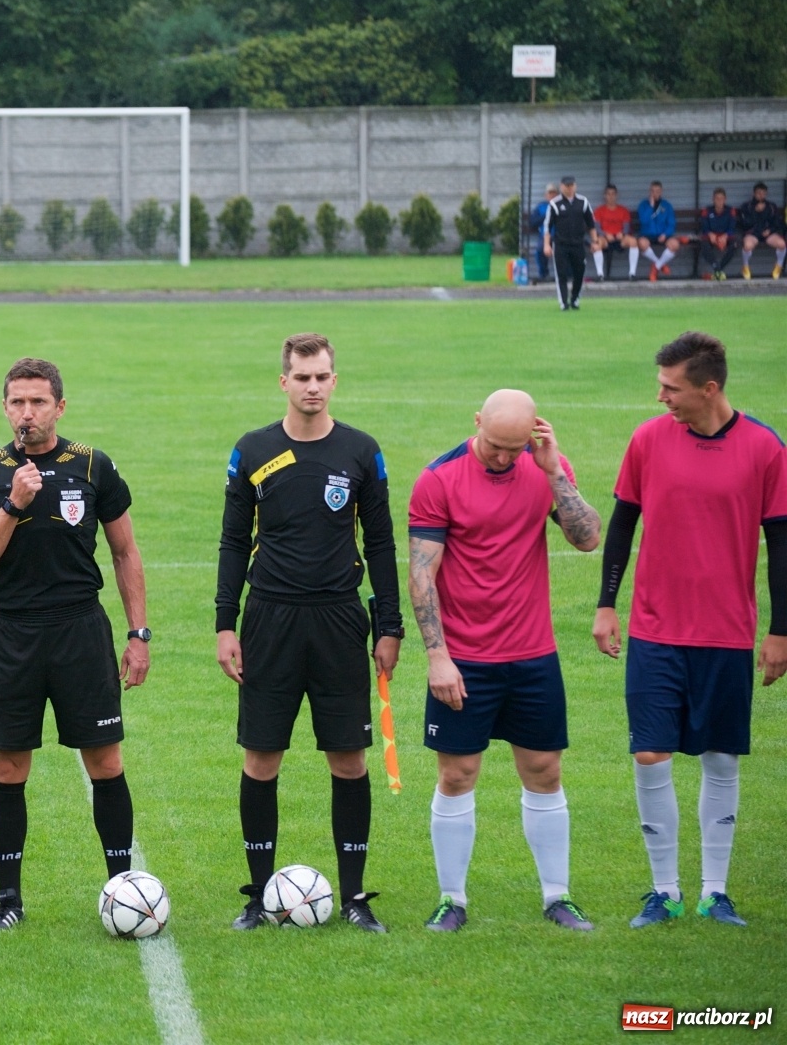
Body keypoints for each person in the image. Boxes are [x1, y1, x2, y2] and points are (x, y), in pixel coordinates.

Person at [593, 332, 787, 930]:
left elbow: (781, 545)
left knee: (720, 758)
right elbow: (623, 524)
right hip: (655, 630)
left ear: (709, 388)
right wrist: (606, 605)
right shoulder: (649, 440)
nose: (661, 398)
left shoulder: (765, 449)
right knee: (651, 753)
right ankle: (664, 891)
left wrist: (781, 631)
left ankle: (714, 891)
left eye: (671, 388)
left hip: (727, 633)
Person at [0, 357, 150, 934]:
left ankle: (123, 886)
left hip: (80, 631)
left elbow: (124, 554)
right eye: (17, 402)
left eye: (38, 402)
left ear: (59, 407)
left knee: (105, 761)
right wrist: (13, 505)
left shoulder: (93, 465)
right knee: (10, 766)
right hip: (12, 633)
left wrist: (138, 634)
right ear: (5, 407)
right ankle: (7, 898)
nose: (27, 413)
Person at [215, 333, 401, 933]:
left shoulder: (361, 453)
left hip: (340, 618)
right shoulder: (253, 451)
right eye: (302, 377)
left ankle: (353, 898)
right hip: (269, 618)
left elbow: (380, 542)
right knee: (261, 758)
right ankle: (257, 898)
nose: (313, 387)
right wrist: (225, 623)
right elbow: (232, 543)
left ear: (334, 380)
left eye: (322, 377)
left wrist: (389, 625)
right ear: (284, 383)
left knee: (348, 760)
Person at [408, 391, 602, 933]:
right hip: (465, 659)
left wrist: (552, 471)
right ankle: (452, 900)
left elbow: (587, 539)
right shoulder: (439, 479)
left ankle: (558, 897)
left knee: (545, 771)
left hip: (533, 654)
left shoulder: (544, 467)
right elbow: (422, 573)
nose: (502, 458)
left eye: (513, 449)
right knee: (457, 774)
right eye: (495, 446)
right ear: (477, 424)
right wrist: (437, 657)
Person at [542, 175, 594, 310]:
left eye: (571, 185)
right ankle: (563, 302)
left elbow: (591, 224)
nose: (569, 188)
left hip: (578, 243)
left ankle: (575, 299)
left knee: (579, 272)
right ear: (561, 186)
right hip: (561, 244)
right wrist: (547, 244)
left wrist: (595, 241)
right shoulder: (555, 203)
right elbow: (547, 226)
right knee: (561, 273)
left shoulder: (583, 202)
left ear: (575, 186)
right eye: (566, 186)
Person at [735, 182, 785, 280]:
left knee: (782, 244)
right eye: (759, 193)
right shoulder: (746, 206)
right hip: (753, 233)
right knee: (748, 245)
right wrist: (756, 211)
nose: (761, 195)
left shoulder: (771, 206)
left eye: (763, 193)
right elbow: (744, 224)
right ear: (754, 194)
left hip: (767, 234)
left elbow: (777, 223)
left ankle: (778, 267)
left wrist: (769, 230)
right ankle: (745, 267)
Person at [633, 181, 679, 281]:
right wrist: (651, 206)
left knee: (675, 244)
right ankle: (660, 264)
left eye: (657, 191)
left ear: (661, 191)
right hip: (647, 234)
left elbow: (671, 223)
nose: (655, 193)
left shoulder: (667, 205)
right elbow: (643, 220)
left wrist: (665, 234)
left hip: (663, 235)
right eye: (653, 191)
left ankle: (656, 267)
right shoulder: (643, 205)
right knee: (642, 243)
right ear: (650, 192)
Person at [590, 184, 634, 281]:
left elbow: (626, 227)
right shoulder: (599, 210)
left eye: (613, 194)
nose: (611, 197)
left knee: (633, 241)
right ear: (605, 196)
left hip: (620, 238)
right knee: (596, 244)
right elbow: (596, 227)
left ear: (616, 195)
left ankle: (632, 274)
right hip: (605, 239)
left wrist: (622, 233)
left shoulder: (623, 210)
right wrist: (605, 234)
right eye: (608, 194)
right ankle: (600, 275)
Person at [698, 189, 738, 280]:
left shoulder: (730, 210)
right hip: (712, 235)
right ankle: (717, 267)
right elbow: (704, 227)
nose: (719, 201)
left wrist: (726, 235)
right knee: (703, 244)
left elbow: (732, 227)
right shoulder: (707, 210)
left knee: (734, 245)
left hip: (725, 235)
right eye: (717, 198)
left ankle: (718, 269)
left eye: (721, 199)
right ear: (713, 199)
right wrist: (710, 234)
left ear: (725, 199)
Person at [529, 183, 558, 281]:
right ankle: (544, 274)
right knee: (540, 249)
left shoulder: (562, 206)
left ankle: (566, 275)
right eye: (550, 193)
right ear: (546, 195)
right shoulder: (541, 207)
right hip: (545, 235)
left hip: (559, 236)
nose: (552, 196)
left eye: (554, 193)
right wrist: (547, 215)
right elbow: (532, 222)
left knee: (565, 250)